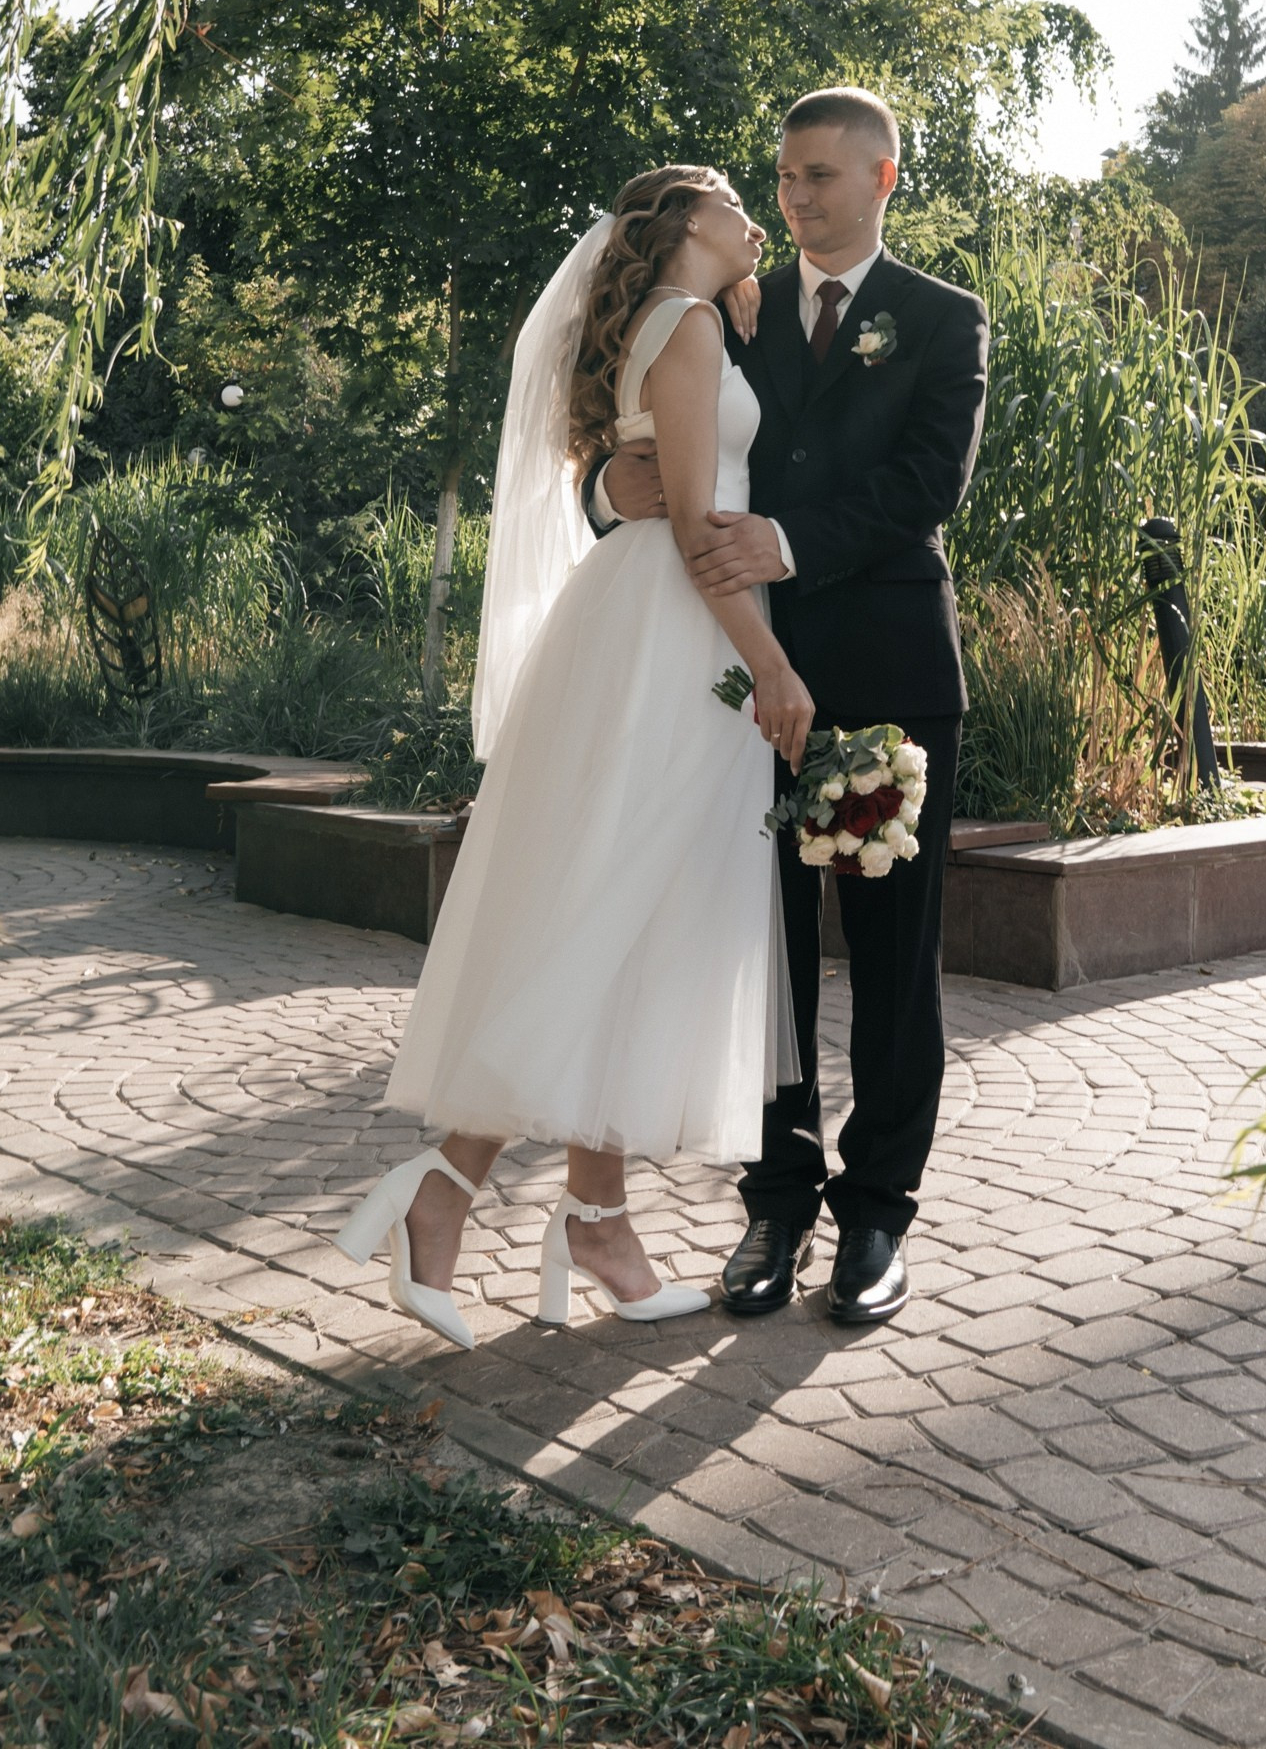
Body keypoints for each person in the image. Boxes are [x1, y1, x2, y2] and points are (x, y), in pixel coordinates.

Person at [337, 165, 814, 1344]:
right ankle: (447, 1190)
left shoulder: (679, 322)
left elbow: (651, 481)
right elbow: (704, 529)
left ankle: (592, 1216)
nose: (754, 212)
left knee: (636, 919)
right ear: (685, 228)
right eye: (731, 201)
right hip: (679, 641)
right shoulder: (691, 325)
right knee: (618, 918)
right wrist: (771, 666)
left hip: (637, 627)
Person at [593, 88, 988, 1325]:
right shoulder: (718, 316)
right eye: (781, 177)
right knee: (758, 962)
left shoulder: (942, 319)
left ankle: (876, 1219)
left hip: (883, 683)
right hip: (735, 687)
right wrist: (611, 483)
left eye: (820, 175)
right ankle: (774, 1206)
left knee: (888, 965)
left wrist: (786, 539)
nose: (795, 197)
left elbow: (931, 486)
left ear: (879, 180)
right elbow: (645, 464)